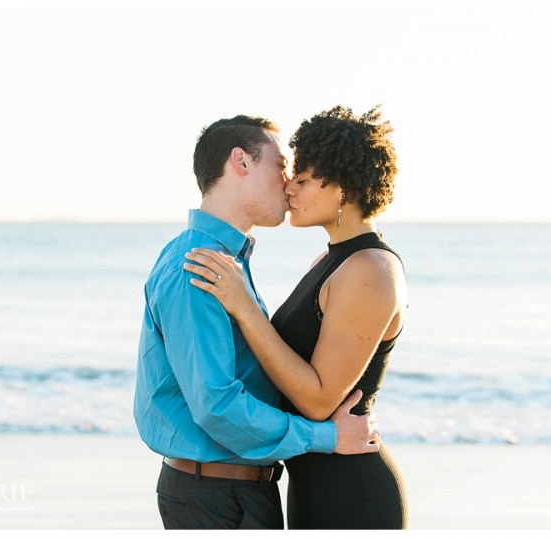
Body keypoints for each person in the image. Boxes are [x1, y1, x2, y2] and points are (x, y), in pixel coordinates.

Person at [133, 114, 380, 530]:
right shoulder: (198, 265)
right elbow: (217, 405)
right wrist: (328, 438)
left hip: (235, 491)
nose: (287, 182)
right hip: (215, 496)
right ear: (241, 162)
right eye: (280, 164)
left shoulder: (227, 262)